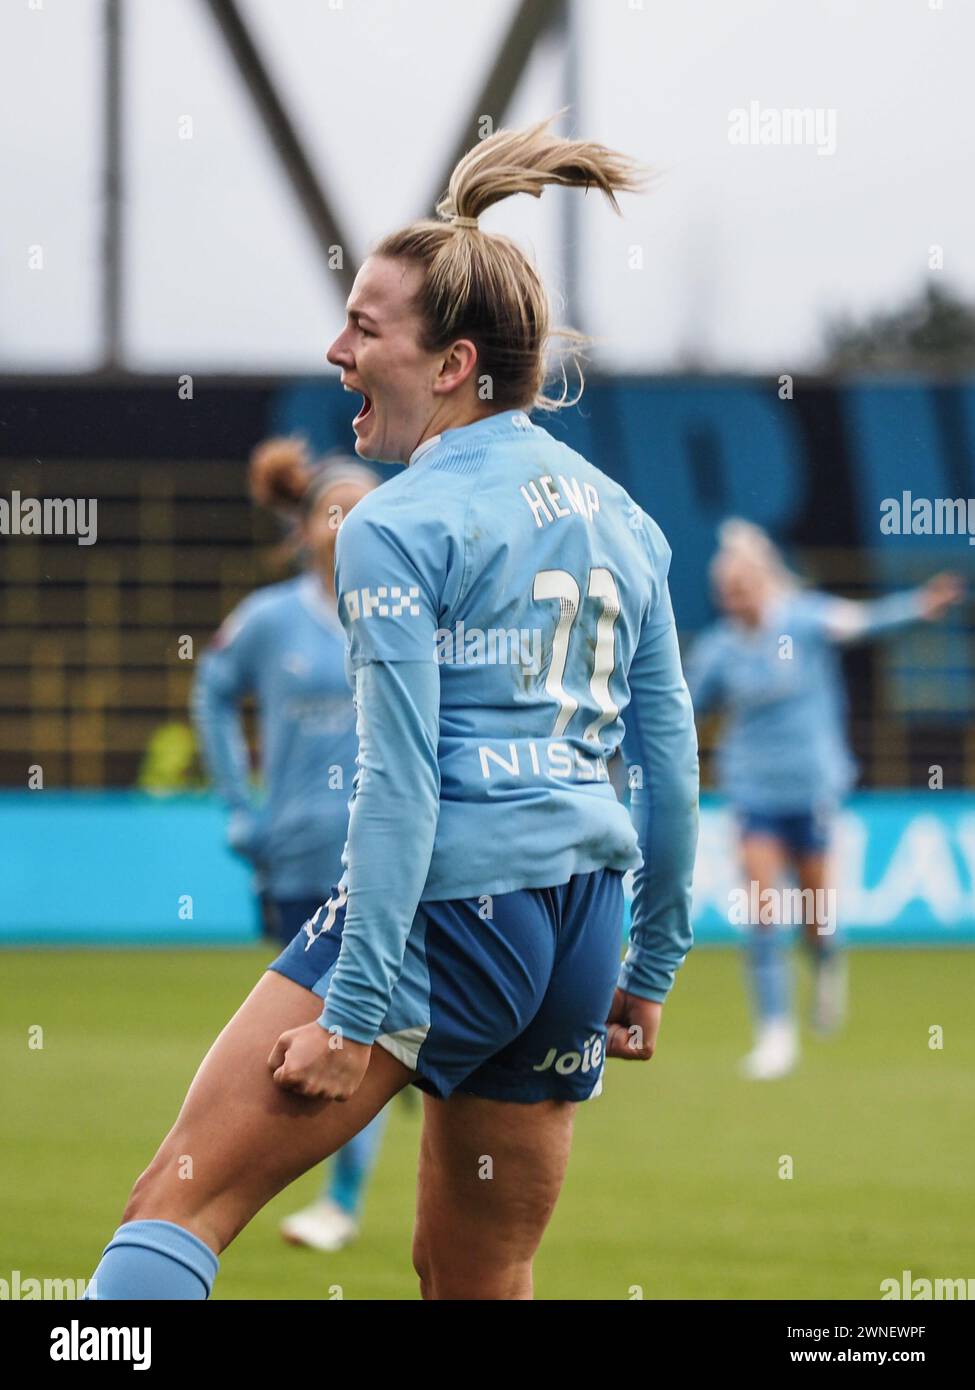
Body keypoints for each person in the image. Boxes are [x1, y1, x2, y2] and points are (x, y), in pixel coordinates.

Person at [84, 113, 699, 1302]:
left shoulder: (395, 526)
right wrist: (655, 957)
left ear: (454, 363)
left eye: (364, 328)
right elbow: (666, 759)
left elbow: (402, 779)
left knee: (176, 1204)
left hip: (443, 915)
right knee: (476, 1276)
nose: (336, 350)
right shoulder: (623, 518)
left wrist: (356, 1005)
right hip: (576, 935)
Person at [192, 440, 387, 1251]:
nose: (350, 524)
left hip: (391, 858)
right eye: (335, 510)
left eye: (366, 508)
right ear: (305, 529)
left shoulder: (413, 610)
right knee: (348, 1031)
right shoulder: (271, 622)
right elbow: (210, 690)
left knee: (351, 1023)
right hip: (303, 855)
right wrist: (240, 805)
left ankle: (340, 1205)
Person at [685, 519, 962, 1080]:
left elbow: (864, 622)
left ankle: (828, 963)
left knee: (816, 915)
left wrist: (919, 606)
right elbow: (682, 709)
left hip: (811, 787)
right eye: (725, 594)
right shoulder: (718, 651)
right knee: (762, 911)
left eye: (741, 589)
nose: (733, 601)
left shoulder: (805, 620)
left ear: (763, 584)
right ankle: (775, 1034)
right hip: (754, 791)